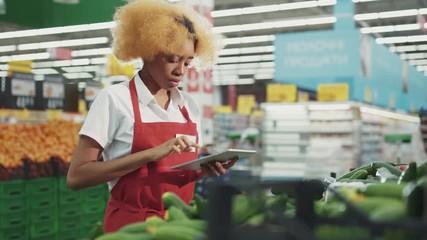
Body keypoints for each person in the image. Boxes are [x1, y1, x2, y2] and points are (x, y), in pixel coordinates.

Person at [66, 0, 236, 232]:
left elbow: (167, 176)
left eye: (187, 62)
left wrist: (199, 173)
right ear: (148, 51)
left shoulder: (189, 106)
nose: (180, 71)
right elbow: (76, 177)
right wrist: (150, 154)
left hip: (178, 223)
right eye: (172, 59)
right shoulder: (115, 100)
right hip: (130, 227)